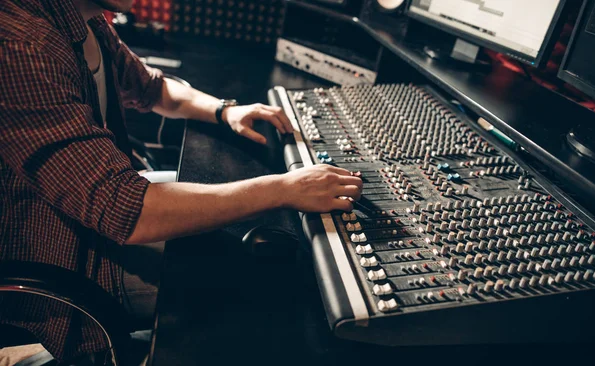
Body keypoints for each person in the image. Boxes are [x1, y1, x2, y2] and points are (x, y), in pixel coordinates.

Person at [0, 0, 363, 362]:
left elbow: (152, 89)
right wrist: (285, 188)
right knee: (270, 284)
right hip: (63, 263)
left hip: (100, 219)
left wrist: (225, 110)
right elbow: (128, 211)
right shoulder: (24, 45)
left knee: (260, 229)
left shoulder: (85, 19)